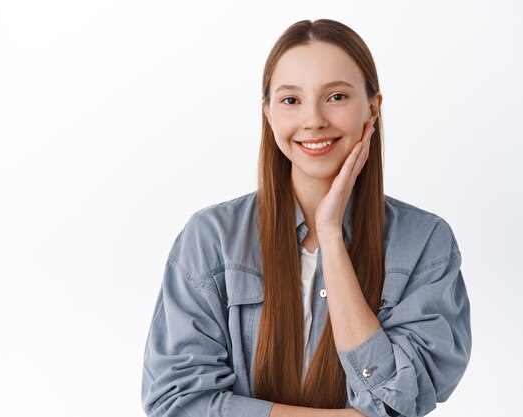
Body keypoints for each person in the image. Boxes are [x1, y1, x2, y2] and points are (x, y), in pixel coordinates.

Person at [141, 18, 471, 417]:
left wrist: (331, 235)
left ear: (373, 106)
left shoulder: (425, 244)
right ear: (267, 113)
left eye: (336, 97)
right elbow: (177, 403)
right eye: (291, 100)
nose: (313, 119)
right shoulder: (211, 239)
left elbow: (396, 400)